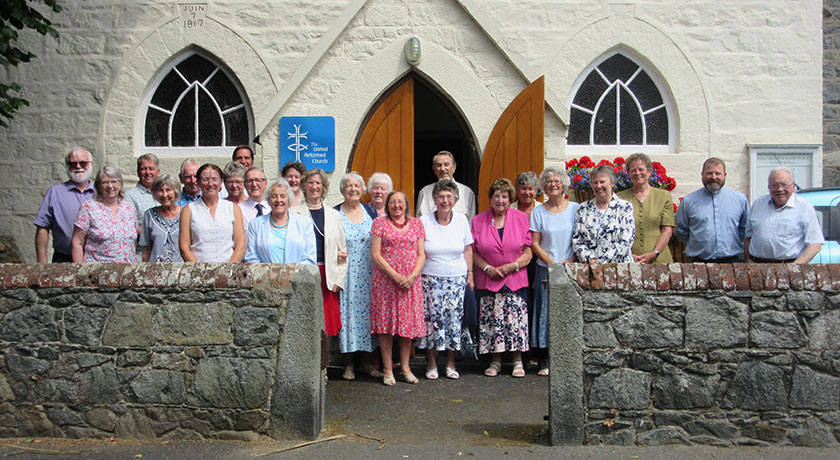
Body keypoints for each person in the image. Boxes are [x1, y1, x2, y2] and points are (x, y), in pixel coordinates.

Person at [472, 178, 532, 378]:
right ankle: (495, 361)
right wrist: (487, 268)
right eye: (496, 196)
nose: (500, 200)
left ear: (510, 199)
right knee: (493, 320)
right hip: (489, 278)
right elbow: (472, 252)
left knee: (515, 320)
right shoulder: (478, 220)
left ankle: (517, 361)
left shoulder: (522, 219)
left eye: (504, 196)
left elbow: (528, 252)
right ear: (490, 198)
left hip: (515, 278)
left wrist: (512, 266)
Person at [291, 169, 348, 378]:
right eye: (311, 183)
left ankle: (323, 368)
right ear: (304, 185)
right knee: (307, 321)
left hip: (328, 274)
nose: (314, 187)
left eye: (319, 183)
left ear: (324, 188)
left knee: (326, 325)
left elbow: (343, 251)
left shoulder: (334, 215)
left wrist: (339, 279)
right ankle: (307, 367)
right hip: (306, 271)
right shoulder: (294, 211)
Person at [417, 179, 473, 380]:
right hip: (430, 280)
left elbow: (468, 249)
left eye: (449, 196)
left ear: (455, 200)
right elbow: (418, 250)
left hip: (456, 280)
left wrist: (470, 275)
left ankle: (450, 363)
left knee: (453, 322)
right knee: (432, 322)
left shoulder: (461, 220)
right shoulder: (424, 221)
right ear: (434, 199)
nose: (445, 200)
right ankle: (431, 363)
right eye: (441, 196)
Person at [370, 191, 426, 386]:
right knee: (386, 327)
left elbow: (421, 255)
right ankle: (387, 369)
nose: (396, 205)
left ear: (406, 204)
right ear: (388, 205)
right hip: (386, 282)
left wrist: (411, 277)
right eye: (392, 202)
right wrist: (395, 276)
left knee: (407, 327)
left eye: (400, 202)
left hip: (410, 283)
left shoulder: (417, 224)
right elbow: (376, 255)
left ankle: (405, 368)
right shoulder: (379, 223)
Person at [529, 167, 578, 376]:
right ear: (543, 186)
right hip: (545, 269)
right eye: (548, 181)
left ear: (564, 184)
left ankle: (567, 357)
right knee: (544, 313)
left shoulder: (576, 209)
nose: (553, 184)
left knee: (568, 311)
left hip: (570, 267)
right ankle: (544, 358)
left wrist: (568, 262)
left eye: (557, 181)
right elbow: (535, 243)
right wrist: (552, 264)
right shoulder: (538, 212)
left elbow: (579, 239)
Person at [334, 172, 382, 380]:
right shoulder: (335, 213)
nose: (353, 189)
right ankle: (348, 365)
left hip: (368, 273)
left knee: (367, 317)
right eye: (349, 185)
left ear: (363, 190)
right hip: (346, 274)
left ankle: (366, 362)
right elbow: (329, 241)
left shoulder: (370, 211)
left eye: (357, 185)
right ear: (343, 189)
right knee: (348, 317)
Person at [674, 158, 750, 263]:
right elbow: (681, 230)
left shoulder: (740, 199)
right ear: (702, 174)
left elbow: (745, 228)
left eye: (718, 173)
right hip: (699, 263)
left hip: (733, 262)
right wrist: (699, 242)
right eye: (709, 173)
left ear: (725, 175)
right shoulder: (688, 201)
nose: (714, 177)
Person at [745, 167, 824, 263]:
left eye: (784, 185)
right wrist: (748, 262)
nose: (780, 189)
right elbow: (748, 237)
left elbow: (815, 244)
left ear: (793, 186)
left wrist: (794, 267)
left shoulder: (804, 207)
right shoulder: (758, 204)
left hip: (789, 268)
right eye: (775, 185)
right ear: (769, 187)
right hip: (757, 267)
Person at [34, 146, 95, 263]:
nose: (78, 167)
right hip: (63, 258)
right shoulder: (55, 193)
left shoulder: (101, 193)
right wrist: (42, 263)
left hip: (95, 258)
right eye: (73, 163)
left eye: (83, 163)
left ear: (91, 164)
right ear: (67, 166)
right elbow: (42, 227)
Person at [179, 163, 246, 262]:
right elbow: (184, 247)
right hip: (199, 271)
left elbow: (240, 245)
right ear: (199, 182)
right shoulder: (188, 210)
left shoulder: (233, 209)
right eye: (205, 179)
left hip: (228, 271)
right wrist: (199, 270)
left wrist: (228, 270)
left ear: (221, 182)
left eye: (214, 179)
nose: (210, 184)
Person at [617, 153, 675, 263]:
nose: (637, 173)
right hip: (629, 259)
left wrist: (655, 253)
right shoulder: (620, 198)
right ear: (628, 173)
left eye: (641, 169)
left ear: (649, 171)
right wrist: (627, 253)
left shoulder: (663, 196)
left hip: (659, 259)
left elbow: (667, 230)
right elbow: (616, 231)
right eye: (633, 170)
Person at [70, 166, 136, 263]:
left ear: (121, 184)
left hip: (127, 272)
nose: (110, 186)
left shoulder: (129, 208)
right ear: (98, 186)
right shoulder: (88, 207)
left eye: (114, 181)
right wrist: (79, 271)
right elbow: (77, 242)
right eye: (105, 182)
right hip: (97, 272)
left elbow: (133, 242)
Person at [572, 165, 635, 263]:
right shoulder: (582, 208)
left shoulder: (624, 207)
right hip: (590, 268)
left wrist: (602, 263)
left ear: (612, 183)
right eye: (595, 183)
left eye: (602, 182)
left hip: (618, 269)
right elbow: (577, 240)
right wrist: (591, 260)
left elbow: (626, 240)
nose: (598, 186)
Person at [244, 178, 316, 264]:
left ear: (289, 200)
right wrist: (270, 275)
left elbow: (310, 258)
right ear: (269, 201)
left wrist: (290, 274)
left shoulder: (305, 223)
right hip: (265, 276)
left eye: (283, 196)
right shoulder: (255, 224)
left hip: (297, 276)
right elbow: (251, 258)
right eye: (274, 196)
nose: (278, 200)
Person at [416, 151, 476, 220]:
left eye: (446, 165)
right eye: (439, 165)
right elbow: (419, 222)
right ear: (434, 169)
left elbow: (470, 223)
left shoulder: (467, 193)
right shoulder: (425, 192)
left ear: (454, 167)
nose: (442, 169)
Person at [139, 174, 183, 262]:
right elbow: (146, 249)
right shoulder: (149, 215)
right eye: (160, 191)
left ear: (176, 191)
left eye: (168, 190)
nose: (164, 195)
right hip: (156, 270)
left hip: (181, 270)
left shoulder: (185, 214)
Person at [124, 153, 161, 228]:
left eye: (151, 169)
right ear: (138, 172)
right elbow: (130, 226)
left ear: (158, 172)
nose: (148, 172)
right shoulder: (130, 196)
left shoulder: (165, 193)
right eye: (143, 169)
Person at [239, 167, 269, 232]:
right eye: (250, 181)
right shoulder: (239, 210)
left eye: (258, 180)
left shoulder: (273, 207)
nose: (254, 184)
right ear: (245, 185)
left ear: (265, 183)